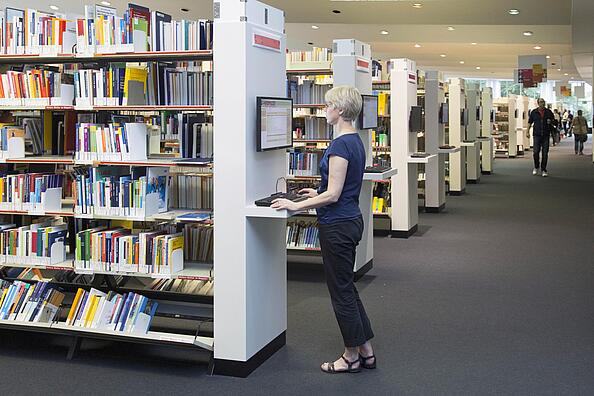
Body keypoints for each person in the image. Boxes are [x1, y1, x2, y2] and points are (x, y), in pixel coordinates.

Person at [271, 86, 375, 374]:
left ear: (339, 110)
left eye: (328, 105)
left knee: (340, 292)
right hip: (349, 220)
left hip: (338, 224)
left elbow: (333, 194)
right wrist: (312, 192)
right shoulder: (355, 140)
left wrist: (296, 207)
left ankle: (350, 356)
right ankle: (366, 351)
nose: (324, 109)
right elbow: (334, 188)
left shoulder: (341, 145)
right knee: (347, 288)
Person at [527, 98, 555, 177]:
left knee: (545, 153)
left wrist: (551, 122)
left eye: (543, 102)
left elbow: (554, 121)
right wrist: (527, 132)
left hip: (546, 135)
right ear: (538, 103)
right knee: (535, 152)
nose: (543, 103)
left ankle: (544, 169)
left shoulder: (548, 112)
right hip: (537, 135)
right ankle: (536, 166)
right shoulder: (534, 112)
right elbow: (530, 122)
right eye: (541, 102)